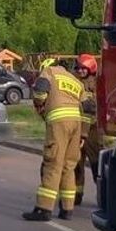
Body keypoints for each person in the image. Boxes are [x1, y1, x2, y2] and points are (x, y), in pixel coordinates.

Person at [22, 57, 84, 222]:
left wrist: (39, 104)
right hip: (76, 123)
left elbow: (41, 89)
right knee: (68, 166)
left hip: (59, 122)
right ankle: (67, 209)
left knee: (53, 163)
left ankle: (44, 209)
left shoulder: (49, 72)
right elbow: (88, 105)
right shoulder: (74, 80)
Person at [72, 54, 99, 206]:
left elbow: (90, 110)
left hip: (92, 130)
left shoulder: (94, 84)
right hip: (77, 128)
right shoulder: (75, 82)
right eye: (79, 68)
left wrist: (85, 133)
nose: (81, 71)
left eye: (84, 69)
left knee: (96, 164)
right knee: (77, 164)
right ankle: (77, 195)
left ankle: (103, 197)